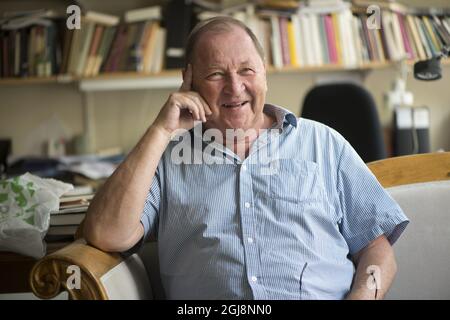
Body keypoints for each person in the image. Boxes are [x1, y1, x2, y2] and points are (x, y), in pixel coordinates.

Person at [84, 16, 409, 300]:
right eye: (215, 75)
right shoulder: (169, 159)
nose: (234, 87)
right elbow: (105, 233)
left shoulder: (322, 143)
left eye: (246, 70)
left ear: (264, 74)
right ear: (189, 81)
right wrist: (159, 130)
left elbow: (377, 251)